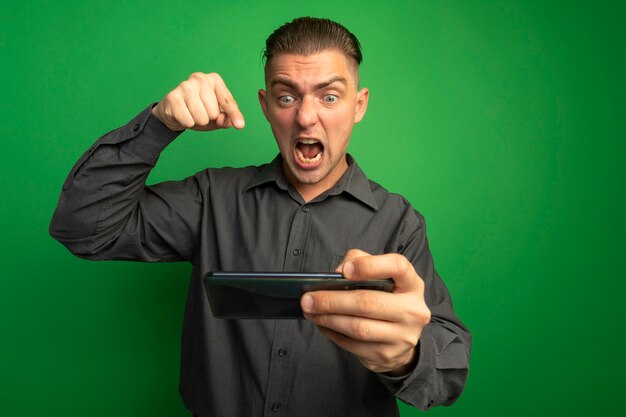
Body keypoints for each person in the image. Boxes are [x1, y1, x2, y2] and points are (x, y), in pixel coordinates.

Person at [50, 17, 471, 417]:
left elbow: (448, 376)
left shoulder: (399, 222)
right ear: (266, 106)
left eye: (329, 96)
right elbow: (83, 228)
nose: (306, 117)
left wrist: (406, 357)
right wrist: (160, 123)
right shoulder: (211, 198)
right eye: (287, 96)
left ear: (358, 105)